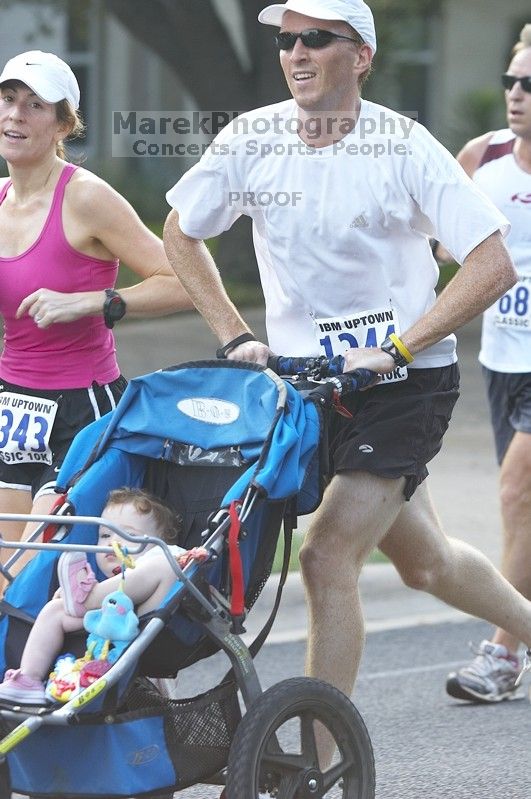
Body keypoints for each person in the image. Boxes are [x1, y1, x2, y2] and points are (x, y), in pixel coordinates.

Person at [163, 0, 531, 759]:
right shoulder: (253, 138)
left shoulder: (405, 147)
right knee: (424, 560)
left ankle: (319, 766)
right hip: (304, 386)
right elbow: (180, 231)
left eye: (316, 39)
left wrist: (396, 348)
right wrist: (233, 332)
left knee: (327, 553)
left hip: (404, 383)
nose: (295, 53)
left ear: (359, 55)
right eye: (285, 40)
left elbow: (489, 265)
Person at [0, 51, 193, 558]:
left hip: (81, 408)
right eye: (8, 98)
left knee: (31, 568)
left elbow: (181, 280)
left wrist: (91, 302)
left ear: (64, 123)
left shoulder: (86, 198)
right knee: (3, 575)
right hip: (13, 405)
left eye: (35, 105)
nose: (15, 114)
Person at [441, 24, 531, 703]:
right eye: (510, 81)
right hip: (501, 359)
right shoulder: (482, 158)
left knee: (515, 492)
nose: (516, 94)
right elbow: (437, 244)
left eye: (529, 85)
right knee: (521, 515)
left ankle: (502, 651)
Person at [0, 487, 205, 705]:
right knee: (53, 610)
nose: (112, 543)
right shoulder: (105, 584)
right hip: (103, 625)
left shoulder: (160, 556)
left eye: (130, 535)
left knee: (167, 563)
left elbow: (174, 561)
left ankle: (84, 598)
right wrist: (62, 600)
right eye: (105, 535)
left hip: (151, 621)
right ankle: (28, 679)